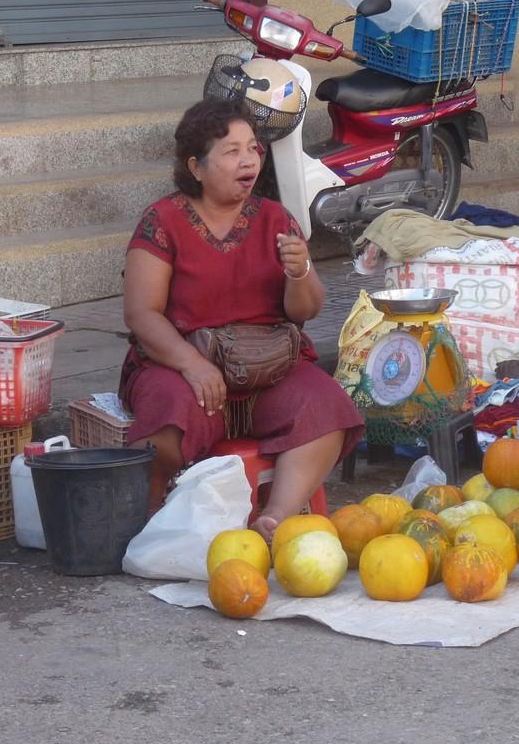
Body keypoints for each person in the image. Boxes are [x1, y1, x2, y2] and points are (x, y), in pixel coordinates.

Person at [120, 98, 364, 542]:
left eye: (253, 148)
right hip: (184, 365)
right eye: (232, 151)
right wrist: (191, 364)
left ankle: (276, 516)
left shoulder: (276, 217)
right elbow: (141, 313)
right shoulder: (163, 220)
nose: (248, 159)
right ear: (195, 166)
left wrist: (300, 272)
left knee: (325, 406)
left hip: (269, 366)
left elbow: (306, 310)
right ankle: (154, 513)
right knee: (169, 416)